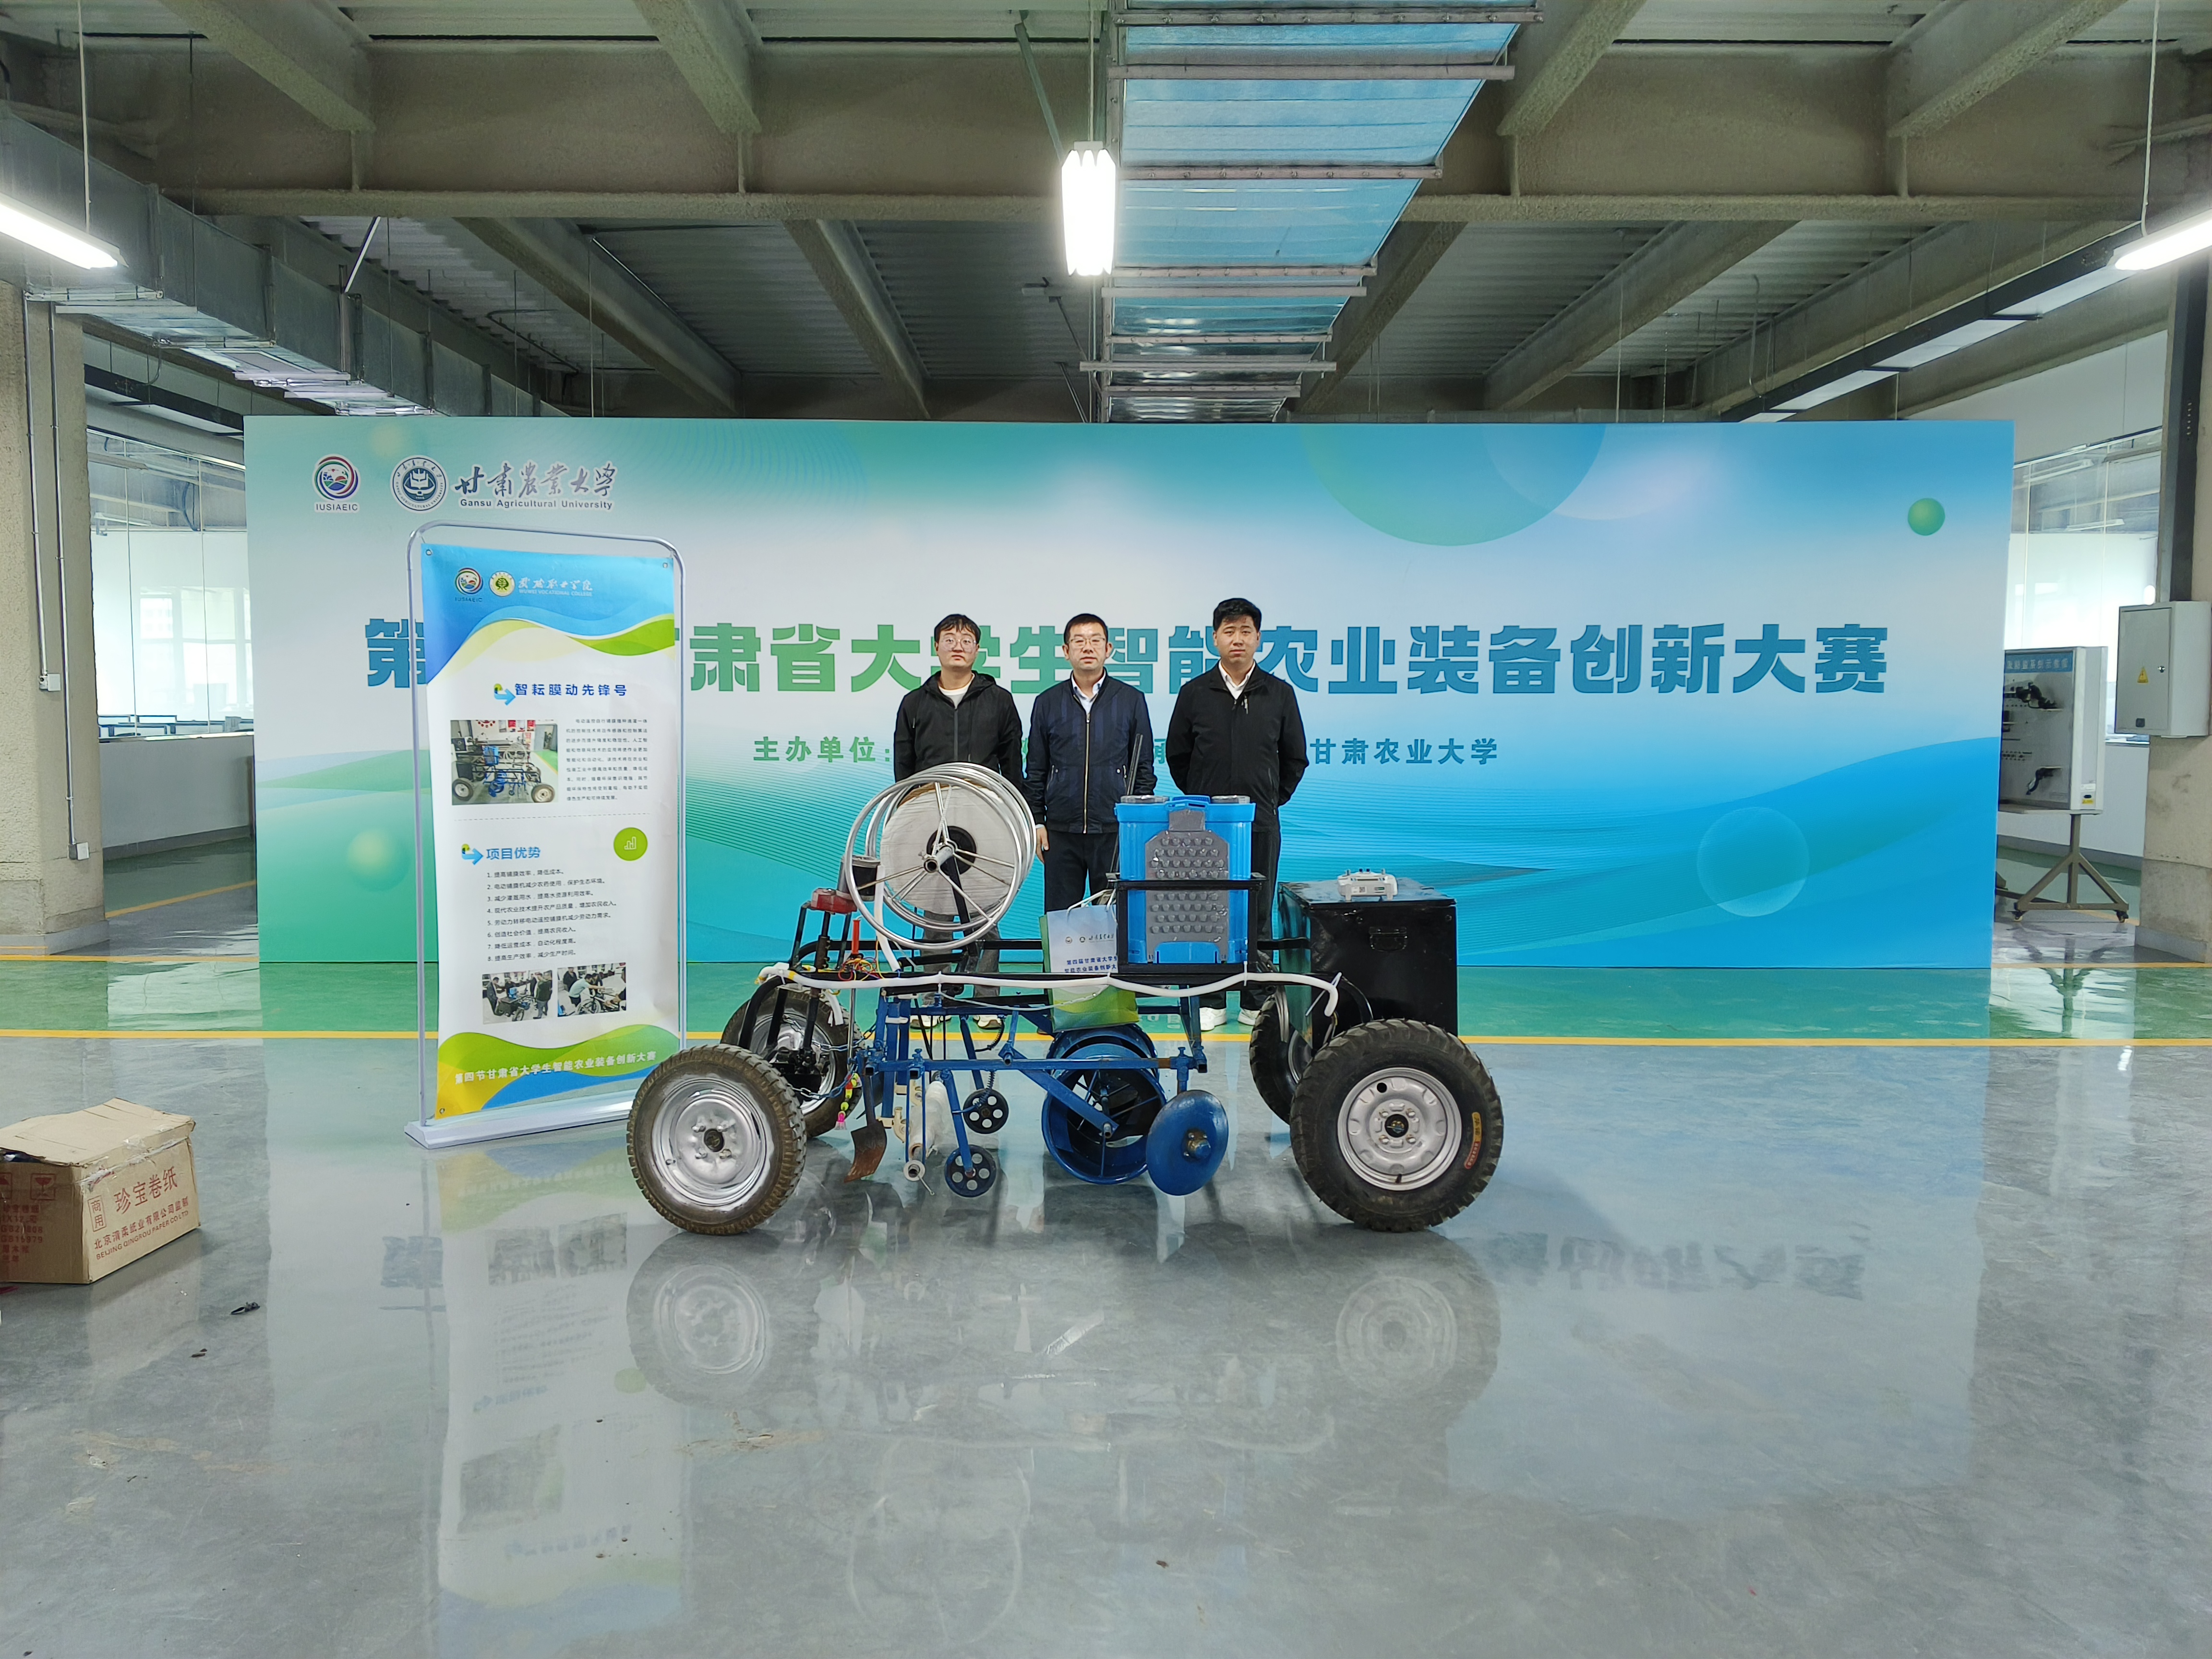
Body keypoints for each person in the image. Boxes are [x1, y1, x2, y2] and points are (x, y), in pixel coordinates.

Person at [1165, 597, 1309, 1028]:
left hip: (1259, 822)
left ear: (1258, 638)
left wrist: (1269, 799)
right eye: (1229, 632)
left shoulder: (1279, 693)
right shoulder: (1195, 693)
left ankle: (1255, 998)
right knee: (1206, 909)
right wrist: (1202, 800)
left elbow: (1295, 758)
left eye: (1246, 631)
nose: (1238, 639)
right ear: (1215, 639)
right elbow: (1178, 756)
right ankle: (1212, 998)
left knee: (1256, 911)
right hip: (1205, 825)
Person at [1024, 612, 1156, 913]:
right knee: (1060, 918)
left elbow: (1143, 768)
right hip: (1060, 831)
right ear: (1066, 651)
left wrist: (1135, 822)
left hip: (1114, 830)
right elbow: (1036, 768)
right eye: (1079, 641)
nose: (1088, 647)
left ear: (1108, 649)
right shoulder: (1047, 702)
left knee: (1115, 918)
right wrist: (1037, 821)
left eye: (1096, 641)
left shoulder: (1131, 699)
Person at [892, 613, 1024, 784]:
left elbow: (1012, 763)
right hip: (929, 796)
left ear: (977, 650)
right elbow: (903, 764)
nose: (958, 648)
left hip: (984, 796)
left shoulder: (999, 700)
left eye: (967, 641)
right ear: (936, 647)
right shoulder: (914, 702)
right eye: (950, 640)